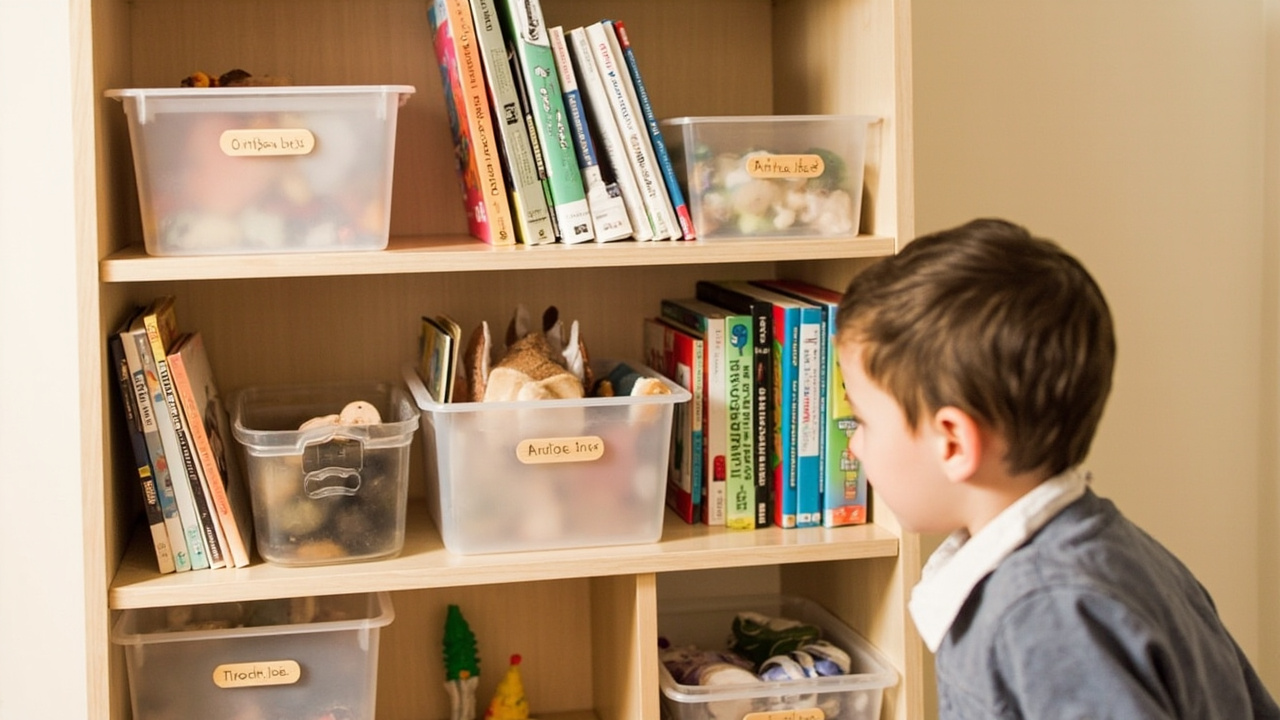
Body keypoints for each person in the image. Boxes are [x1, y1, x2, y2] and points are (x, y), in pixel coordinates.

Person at [835, 218, 1279, 719]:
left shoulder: (1045, 612)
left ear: (954, 442)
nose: (853, 446)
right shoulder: (1109, 548)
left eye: (861, 420)